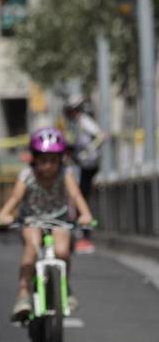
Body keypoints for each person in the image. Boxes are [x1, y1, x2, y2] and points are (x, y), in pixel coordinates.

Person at [0, 128, 93, 321]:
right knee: (31, 251)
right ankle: (23, 292)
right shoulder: (27, 175)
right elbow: (16, 197)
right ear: (34, 159)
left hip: (59, 220)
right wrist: (5, 214)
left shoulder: (66, 173)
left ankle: (65, 286)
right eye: (43, 161)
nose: (48, 166)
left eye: (53, 161)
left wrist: (86, 214)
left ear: (60, 160)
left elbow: (75, 195)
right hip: (31, 220)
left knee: (63, 251)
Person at [61, 95, 105, 252]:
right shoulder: (76, 124)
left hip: (88, 166)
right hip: (81, 165)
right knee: (77, 198)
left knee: (82, 198)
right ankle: (79, 234)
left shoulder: (84, 121)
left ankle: (85, 237)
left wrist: (89, 151)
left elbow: (101, 135)